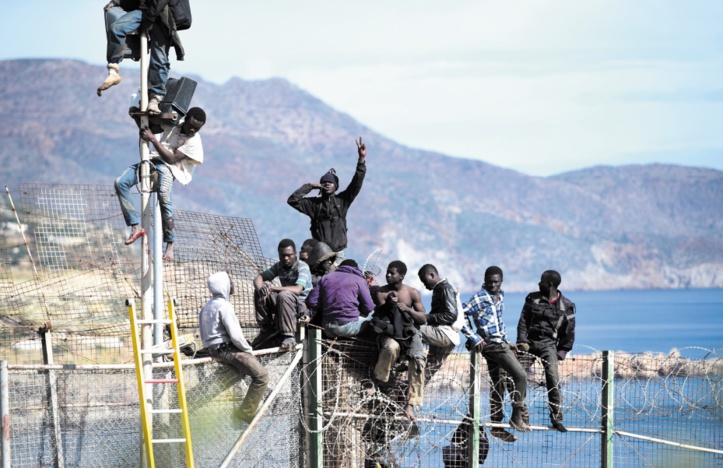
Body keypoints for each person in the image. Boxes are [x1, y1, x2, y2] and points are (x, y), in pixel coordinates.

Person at [114, 107, 205, 261]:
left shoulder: (194, 141)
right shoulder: (174, 124)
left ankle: (170, 245)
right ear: (186, 119)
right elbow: (152, 127)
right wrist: (140, 116)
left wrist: (153, 139)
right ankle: (135, 226)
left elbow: (171, 159)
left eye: (196, 128)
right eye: (190, 125)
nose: (192, 130)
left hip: (171, 168)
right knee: (121, 183)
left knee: (164, 195)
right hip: (153, 159)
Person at [461, 265, 531, 441]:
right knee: (521, 376)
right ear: (484, 281)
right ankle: (517, 415)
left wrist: (507, 341)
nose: (493, 285)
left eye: (496, 282)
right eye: (490, 282)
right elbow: (459, 316)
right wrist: (474, 337)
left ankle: (496, 425)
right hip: (492, 346)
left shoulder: (501, 296)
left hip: (500, 343)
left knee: (498, 384)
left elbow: (498, 322)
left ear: (501, 282)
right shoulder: (478, 298)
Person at [198, 271, 269, 423]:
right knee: (262, 376)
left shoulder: (207, 306)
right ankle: (245, 413)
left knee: (239, 371)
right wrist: (248, 350)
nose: (232, 285)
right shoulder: (224, 306)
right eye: (230, 282)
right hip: (227, 349)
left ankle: (197, 398)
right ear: (223, 286)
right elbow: (236, 336)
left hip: (212, 349)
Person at [287, 138, 367, 264]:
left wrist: (361, 160)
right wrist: (310, 186)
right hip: (320, 253)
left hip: (338, 253)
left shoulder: (343, 201)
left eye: (330, 182)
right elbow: (292, 200)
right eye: (324, 182)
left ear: (336, 186)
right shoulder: (314, 204)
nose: (327, 184)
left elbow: (356, 183)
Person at [98, 0, 186, 115]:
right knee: (116, 28)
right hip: (143, 12)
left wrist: (149, 18)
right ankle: (113, 71)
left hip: (162, 16)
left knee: (159, 58)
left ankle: (155, 99)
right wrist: (119, 2)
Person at [516, 270, 576, 432]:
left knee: (553, 379)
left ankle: (557, 418)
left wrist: (562, 351)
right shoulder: (532, 299)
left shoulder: (566, 306)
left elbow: (569, 332)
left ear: (550, 285)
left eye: (541, 281)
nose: (538, 283)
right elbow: (523, 321)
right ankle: (521, 414)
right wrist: (522, 341)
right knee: (516, 375)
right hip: (529, 344)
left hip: (549, 345)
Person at [371, 260, 427, 420]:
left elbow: (423, 318)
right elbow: (380, 315)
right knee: (390, 348)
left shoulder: (412, 293)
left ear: (401, 276)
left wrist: (408, 309)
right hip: (390, 332)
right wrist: (389, 304)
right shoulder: (381, 293)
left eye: (392, 273)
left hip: (410, 332)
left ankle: (411, 404)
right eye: (387, 272)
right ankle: (381, 383)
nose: (388, 275)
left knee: (418, 361)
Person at [252, 239, 312, 352]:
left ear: (295, 254)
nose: (286, 258)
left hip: (301, 305)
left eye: (289, 255)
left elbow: (297, 290)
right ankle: (266, 328)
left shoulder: (302, 267)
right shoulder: (279, 266)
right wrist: (261, 289)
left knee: (284, 295)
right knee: (260, 291)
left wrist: (273, 288)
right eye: (282, 255)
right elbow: (258, 278)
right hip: (284, 303)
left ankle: (289, 336)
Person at [306, 259, 375, 338]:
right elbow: (369, 307)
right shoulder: (359, 280)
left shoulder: (325, 278)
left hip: (326, 327)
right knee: (372, 313)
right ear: (356, 269)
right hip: (346, 328)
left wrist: (328, 306)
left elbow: (312, 301)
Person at [417, 264, 460, 380]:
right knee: (427, 372)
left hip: (443, 333)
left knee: (413, 329)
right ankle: (408, 396)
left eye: (425, 282)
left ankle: (410, 359)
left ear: (432, 275)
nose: (425, 286)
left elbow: (451, 315)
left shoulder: (444, 288)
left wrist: (427, 318)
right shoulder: (439, 289)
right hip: (443, 334)